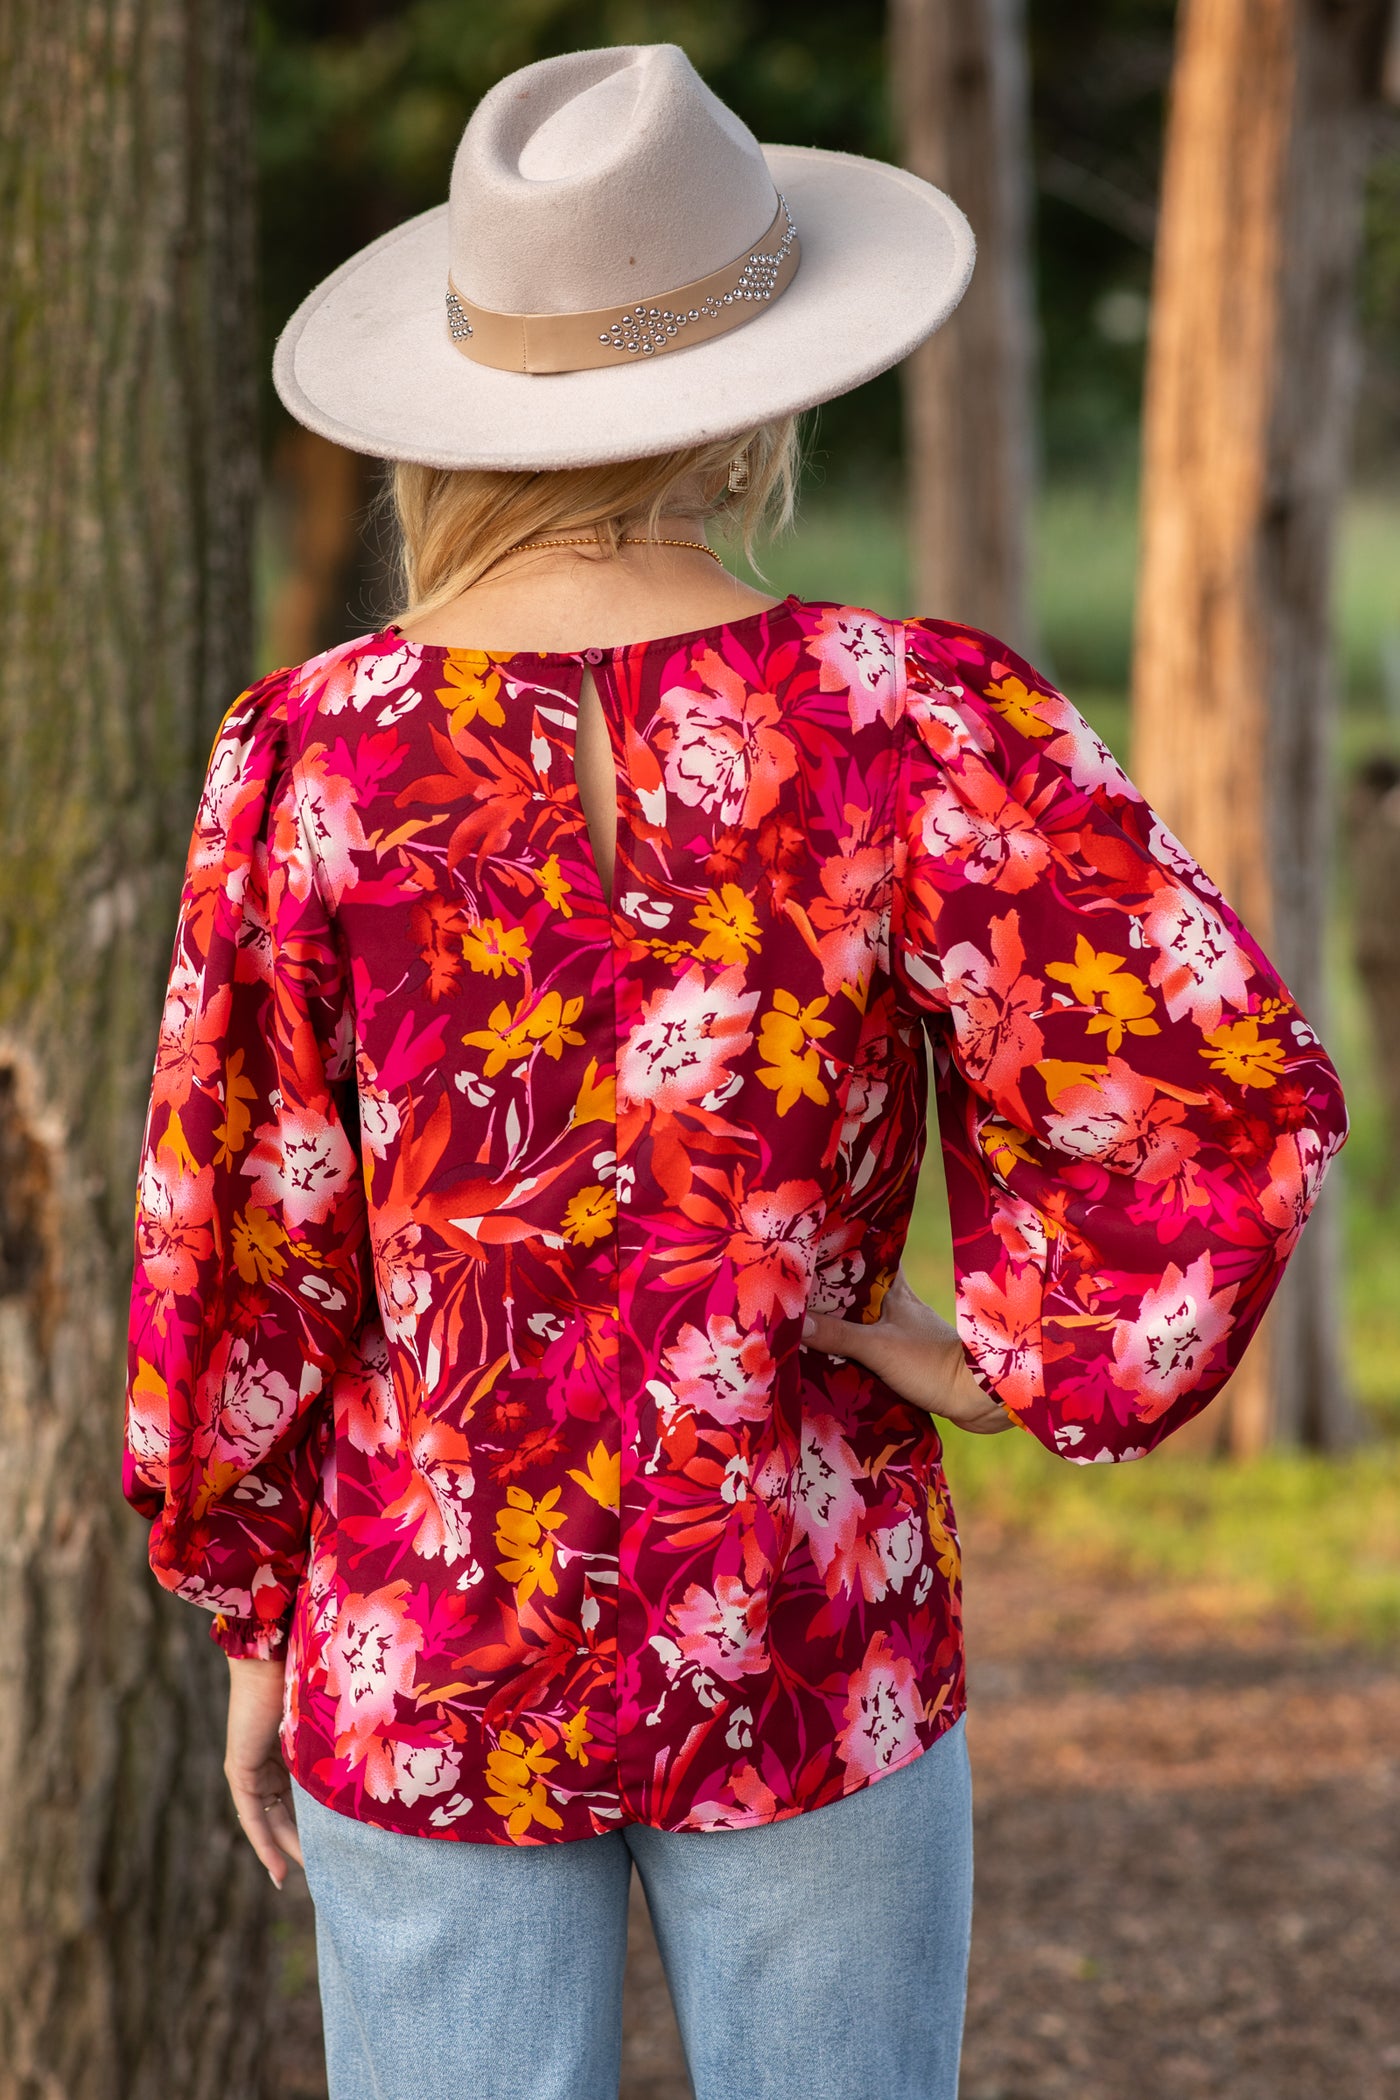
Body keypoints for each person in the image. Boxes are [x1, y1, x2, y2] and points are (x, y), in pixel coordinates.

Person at [122, 43, 1348, 2100]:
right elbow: (1209, 1084)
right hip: (807, 1598)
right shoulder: (913, 722)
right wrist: (998, 1348)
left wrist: (259, 1601)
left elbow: (236, 1233)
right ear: (756, 389)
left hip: (423, 1629)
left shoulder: (311, 758)